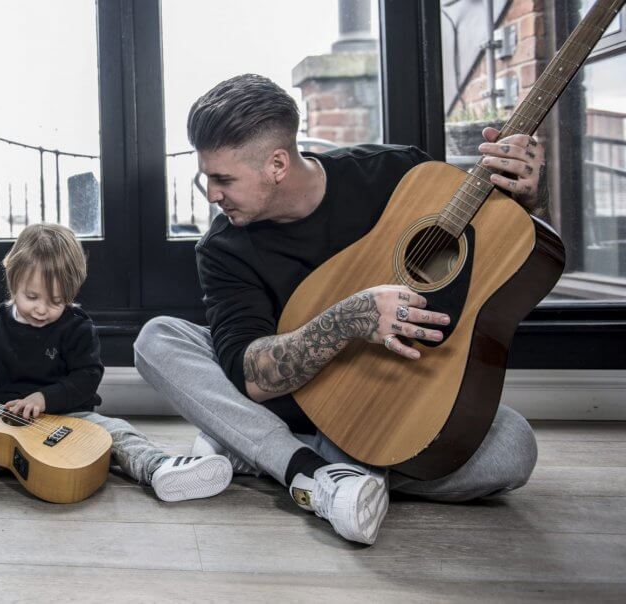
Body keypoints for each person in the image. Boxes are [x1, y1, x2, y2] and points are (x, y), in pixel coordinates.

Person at [133, 74, 546, 545]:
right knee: (158, 338)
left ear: (277, 164)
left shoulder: (398, 175)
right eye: (205, 177)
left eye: (223, 179)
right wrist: (347, 318)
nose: (211, 194)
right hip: (286, 405)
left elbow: (494, 255)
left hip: (387, 395)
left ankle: (259, 451)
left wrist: (525, 201)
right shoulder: (223, 247)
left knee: (513, 447)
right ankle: (312, 474)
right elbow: (250, 377)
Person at [0, 223, 232, 502]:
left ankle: (160, 468)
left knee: (118, 433)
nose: (41, 309)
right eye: (31, 297)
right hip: (11, 426)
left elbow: (87, 377)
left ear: (72, 292)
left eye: (56, 301)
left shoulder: (76, 328)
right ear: (12, 278)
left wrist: (43, 398)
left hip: (72, 417)